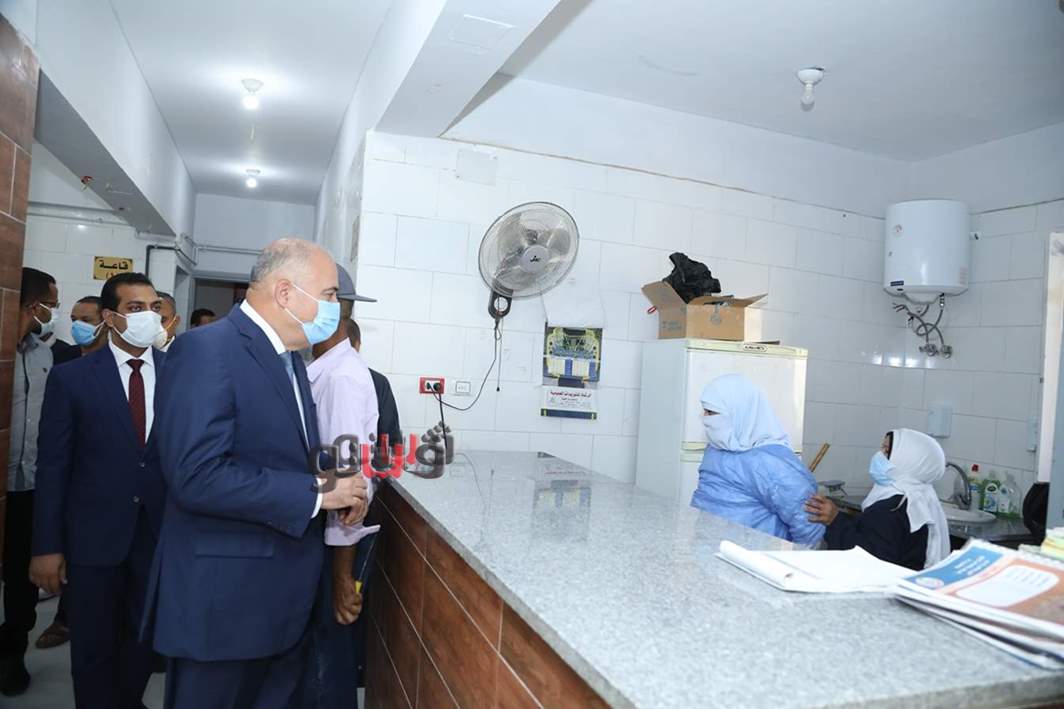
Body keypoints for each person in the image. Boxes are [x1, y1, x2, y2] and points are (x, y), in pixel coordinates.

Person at [145, 239, 369, 708]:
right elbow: (196, 475)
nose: (336, 308)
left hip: (280, 605)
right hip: (224, 607)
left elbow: (283, 454)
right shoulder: (207, 351)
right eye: (329, 295)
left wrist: (342, 486)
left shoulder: (290, 359)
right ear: (285, 293)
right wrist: (317, 493)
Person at [30, 272, 168, 708]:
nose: (148, 316)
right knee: (92, 646)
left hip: (157, 537)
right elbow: (53, 467)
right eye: (135, 308)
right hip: (93, 539)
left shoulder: (180, 373)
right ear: (110, 317)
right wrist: (46, 546)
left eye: (154, 308)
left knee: (143, 641)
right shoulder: (72, 378)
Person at [302, 265, 378, 709]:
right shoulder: (325, 369)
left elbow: (346, 482)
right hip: (325, 534)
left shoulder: (340, 379)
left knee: (325, 661)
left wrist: (341, 577)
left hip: (334, 543)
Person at [0, 268, 58, 696]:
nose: (53, 313)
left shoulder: (46, 355)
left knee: (21, 579)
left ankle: (11, 653)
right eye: (51, 305)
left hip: (30, 485)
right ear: (33, 305)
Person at [690, 374, 824, 546]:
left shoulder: (772, 463)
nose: (705, 418)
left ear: (738, 412)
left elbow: (809, 526)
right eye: (705, 411)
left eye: (711, 412)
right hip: (707, 551)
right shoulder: (716, 448)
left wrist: (796, 560)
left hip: (749, 558)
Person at [805, 429, 950, 570]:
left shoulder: (891, 508)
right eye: (882, 448)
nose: (878, 455)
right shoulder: (921, 500)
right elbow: (877, 534)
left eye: (886, 451)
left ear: (907, 461)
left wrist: (835, 520)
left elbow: (867, 561)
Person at [346, 320, 401, 446]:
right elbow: (389, 437)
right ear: (358, 345)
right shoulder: (377, 381)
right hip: (365, 455)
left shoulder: (310, 377)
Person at [54, 295, 107, 366]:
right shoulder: (62, 356)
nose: (77, 325)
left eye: (86, 320)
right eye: (74, 320)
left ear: (106, 324)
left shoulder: (117, 358)